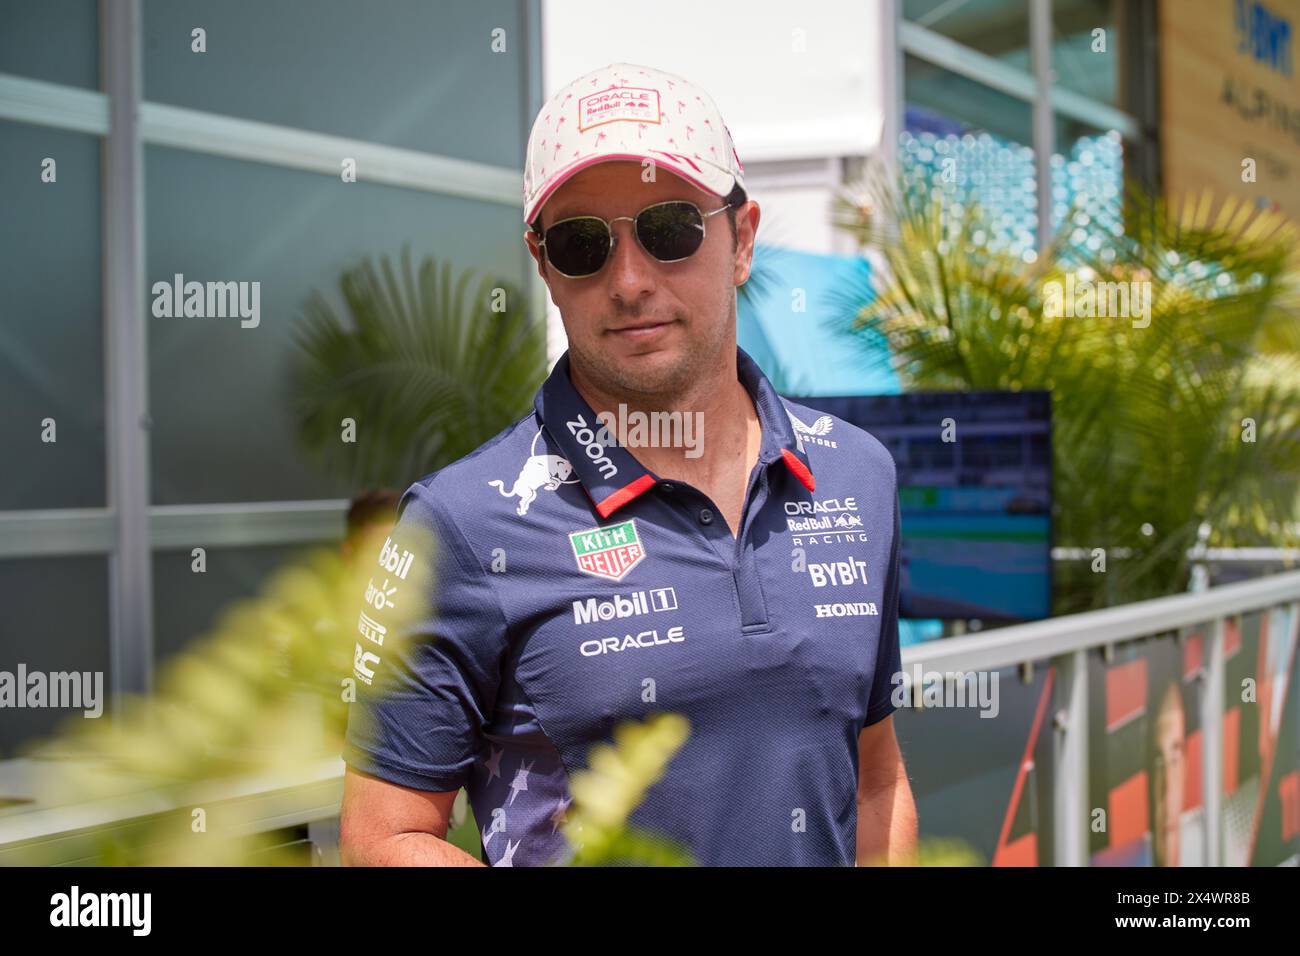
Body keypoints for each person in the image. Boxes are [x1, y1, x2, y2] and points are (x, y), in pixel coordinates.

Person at [339, 61, 915, 866]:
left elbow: (876, 779)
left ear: (741, 239)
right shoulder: (459, 524)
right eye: (583, 245)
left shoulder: (857, 474)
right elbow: (384, 836)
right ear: (543, 265)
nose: (630, 280)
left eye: (670, 228)